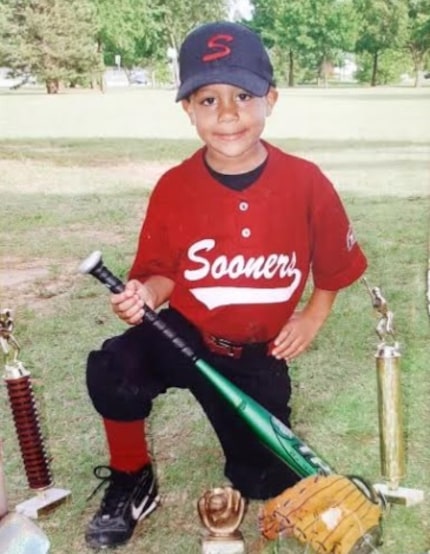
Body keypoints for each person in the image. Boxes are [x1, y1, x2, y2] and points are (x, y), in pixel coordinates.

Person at [84, 21, 368, 550]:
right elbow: (162, 271)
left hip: (253, 358)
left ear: (271, 99)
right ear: (188, 110)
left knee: (262, 482)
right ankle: (132, 479)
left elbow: (333, 267)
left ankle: (252, 459)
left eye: (243, 95)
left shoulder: (306, 181)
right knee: (113, 368)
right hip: (183, 334)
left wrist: (312, 315)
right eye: (208, 99)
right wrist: (147, 295)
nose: (229, 113)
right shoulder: (174, 187)